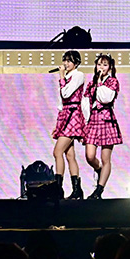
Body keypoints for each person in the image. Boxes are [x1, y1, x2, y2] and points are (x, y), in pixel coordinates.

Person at [83, 53, 123, 199]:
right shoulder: (91, 83)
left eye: (105, 65)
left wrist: (100, 83)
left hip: (106, 120)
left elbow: (105, 98)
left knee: (106, 158)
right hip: (93, 120)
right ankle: (99, 169)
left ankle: (99, 191)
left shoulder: (112, 82)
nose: (101, 67)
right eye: (99, 64)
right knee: (89, 156)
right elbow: (86, 102)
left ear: (110, 67)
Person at [50, 50, 87, 200]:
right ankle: (77, 190)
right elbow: (61, 102)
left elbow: (66, 94)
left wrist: (61, 76)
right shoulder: (67, 77)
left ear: (76, 63)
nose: (66, 64)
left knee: (57, 152)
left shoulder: (78, 75)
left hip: (73, 115)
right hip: (65, 115)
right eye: (64, 60)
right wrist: (58, 123)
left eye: (69, 61)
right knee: (69, 154)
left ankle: (58, 189)